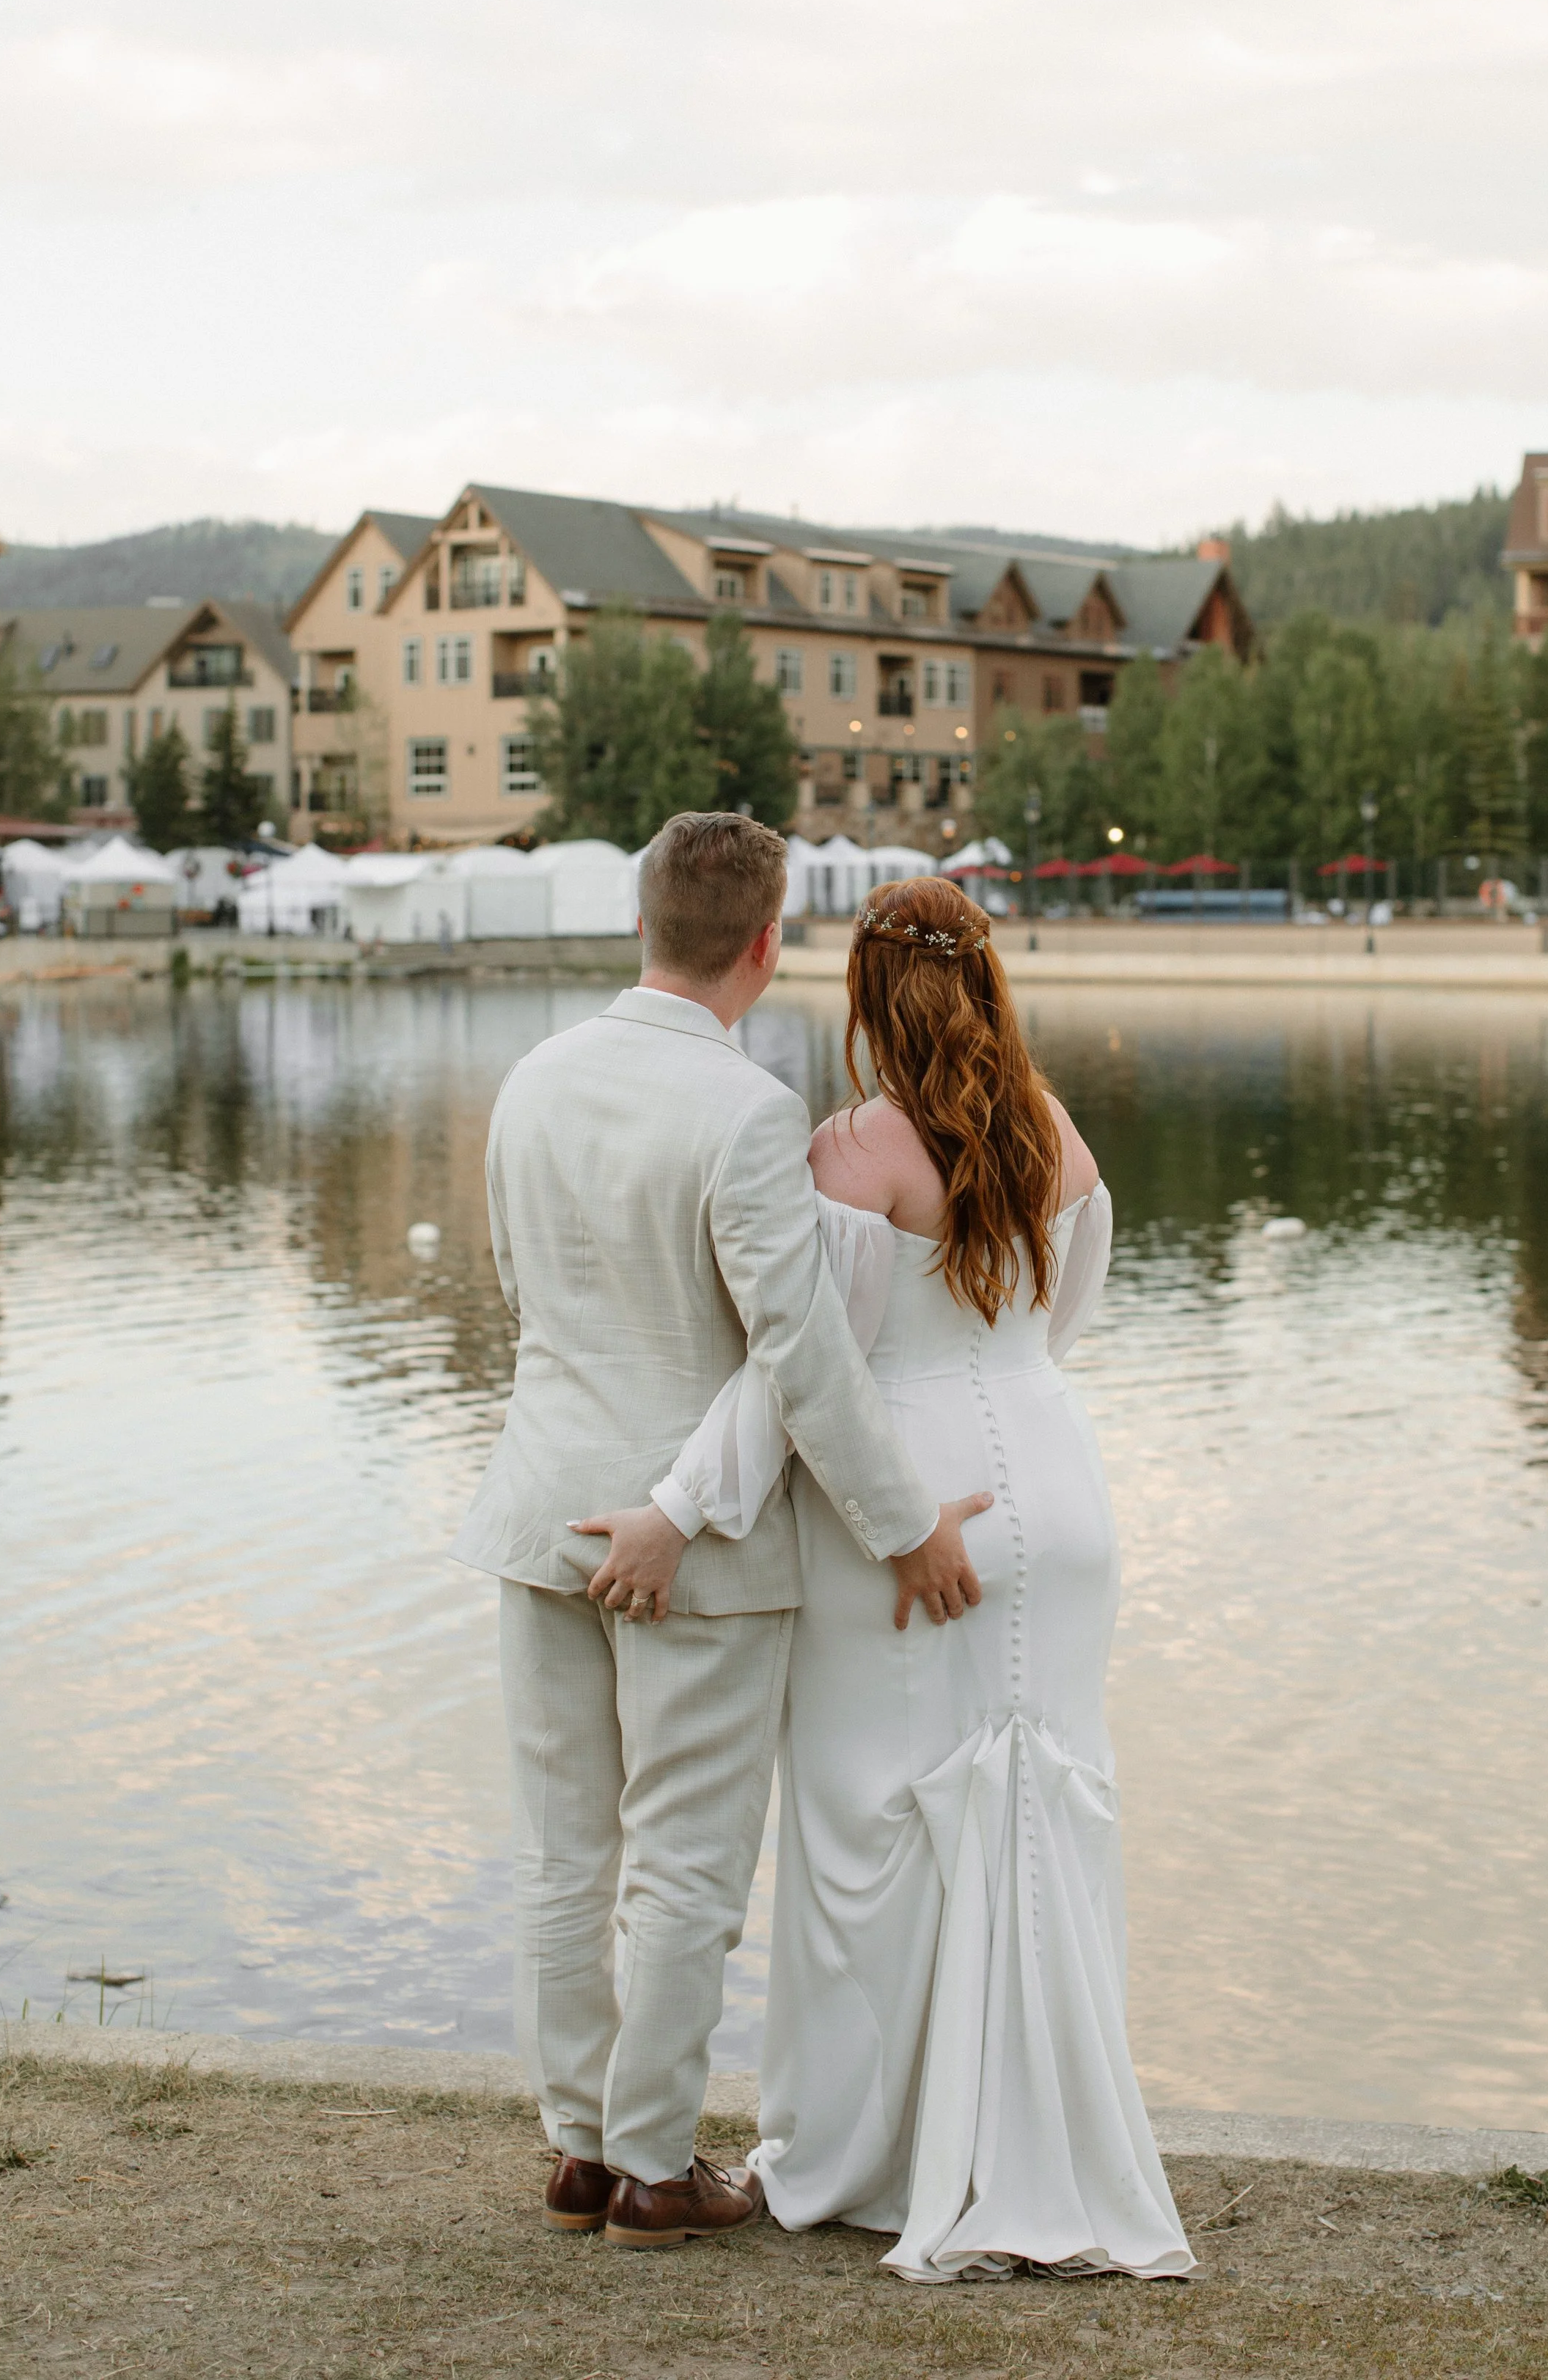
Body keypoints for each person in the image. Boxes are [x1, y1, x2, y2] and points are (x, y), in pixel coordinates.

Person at [450, 815, 991, 2252]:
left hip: (537, 1510)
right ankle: (646, 2165)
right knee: (682, 1866)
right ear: (764, 943)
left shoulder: (533, 1078)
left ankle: (574, 2147)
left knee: (565, 1852)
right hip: (691, 1545)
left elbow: (526, 1294)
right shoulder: (745, 1111)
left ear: (641, 920)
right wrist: (903, 1528)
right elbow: (800, 1350)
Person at [659, 874, 1195, 2282]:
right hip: (1057, 1500)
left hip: (907, 1513)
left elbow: (803, 1370)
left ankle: (872, 2159)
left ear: (866, 999)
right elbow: (1055, 1326)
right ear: (989, 984)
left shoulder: (852, 1151)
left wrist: (679, 1507)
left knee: (869, 1834)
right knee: (1044, 1813)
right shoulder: (1061, 1136)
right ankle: (1040, 2143)